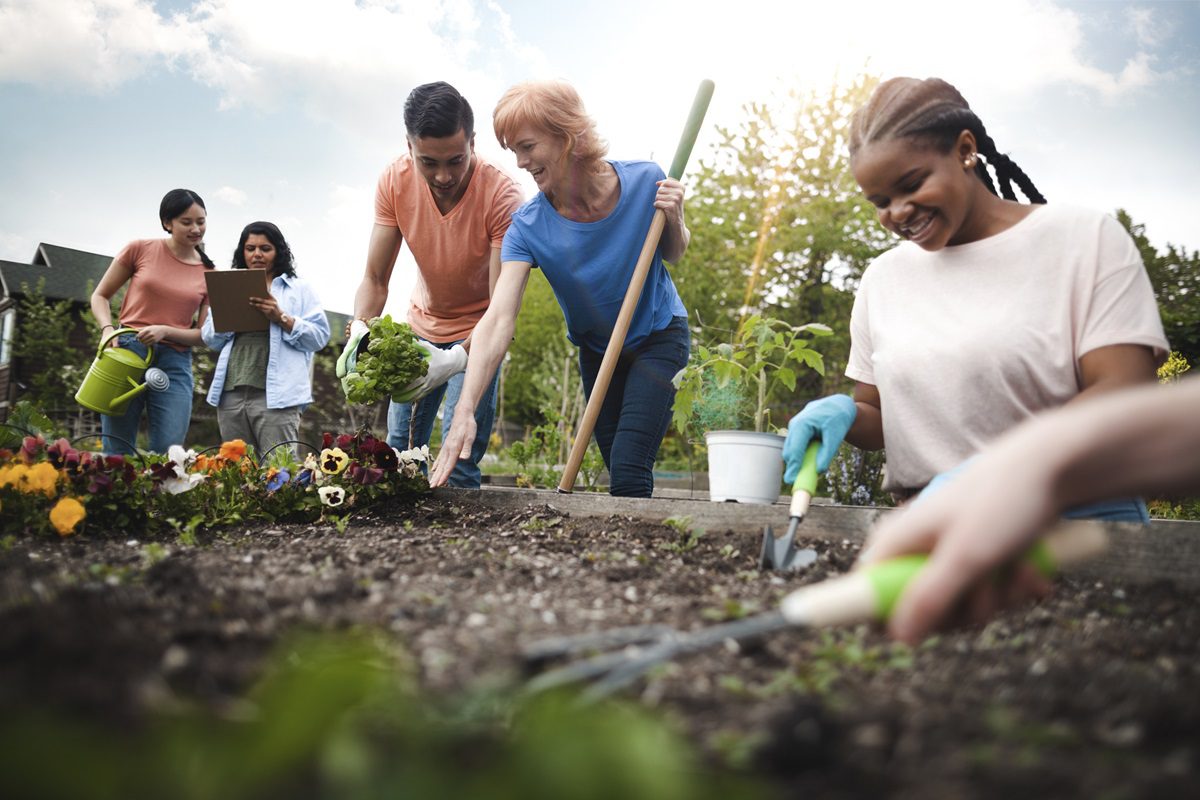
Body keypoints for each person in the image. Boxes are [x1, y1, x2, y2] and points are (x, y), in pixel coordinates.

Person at [782, 77, 1168, 521]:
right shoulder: (883, 278)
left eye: (912, 184)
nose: (897, 212)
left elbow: (1124, 392)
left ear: (966, 150)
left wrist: (999, 472)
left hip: (1074, 523)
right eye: (880, 200)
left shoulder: (1083, 240)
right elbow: (880, 415)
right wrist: (847, 413)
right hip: (931, 531)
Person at [430, 80, 692, 497]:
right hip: (597, 350)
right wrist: (465, 409)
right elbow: (498, 319)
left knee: (628, 464)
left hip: (658, 336)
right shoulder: (528, 227)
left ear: (567, 135)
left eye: (527, 146)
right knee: (615, 460)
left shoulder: (646, 181)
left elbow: (673, 253)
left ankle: (635, 557)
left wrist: (675, 218)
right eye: (513, 150)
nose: (519, 162)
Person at [860, 376, 1200, 644]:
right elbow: (873, 408)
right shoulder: (877, 288)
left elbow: (1129, 382)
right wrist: (849, 413)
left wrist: (1045, 457)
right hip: (947, 515)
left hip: (1077, 514)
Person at [340, 81, 523, 488]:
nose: (443, 176)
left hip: (478, 336)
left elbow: (500, 309)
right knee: (400, 455)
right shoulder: (394, 181)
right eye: (428, 162)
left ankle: (465, 548)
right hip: (421, 331)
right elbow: (374, 278)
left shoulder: (501, 194)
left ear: (473, 142)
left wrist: (458, 357)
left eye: (456, 161)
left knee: (458, 455)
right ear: (409, 147)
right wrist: (360, 328)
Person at [90, 188, 215, 454]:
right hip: (127, 351)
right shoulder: (139, 249)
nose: (196, 228)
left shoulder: (210, 273)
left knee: (169, 453)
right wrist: (107, 330)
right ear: (167, 223)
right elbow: (100, 296)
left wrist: (165, 330)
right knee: (117, 449)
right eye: (187, 222)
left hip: (175, 362)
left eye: (201, 221)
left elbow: (204, 335)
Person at [201, 222, 331, 458]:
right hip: (231, 393)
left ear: (278, 251)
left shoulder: (298, 289)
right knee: (236, 470)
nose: (257, 254)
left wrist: (280, 317)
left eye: (265, 248)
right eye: (250, 248)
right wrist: (230, 316)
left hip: (278, 397)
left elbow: (319, 337)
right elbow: (209, 338)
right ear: (243, 252)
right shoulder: (229, 286)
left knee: (279, 471)